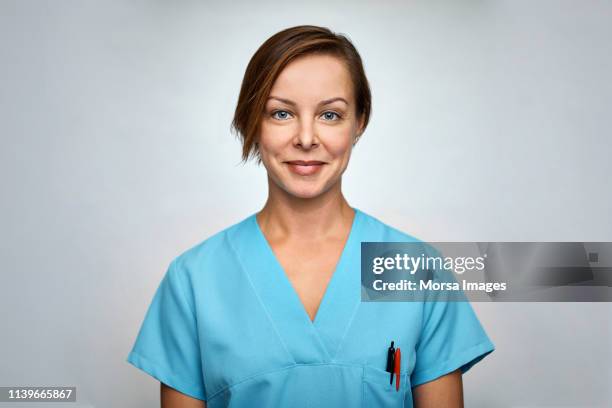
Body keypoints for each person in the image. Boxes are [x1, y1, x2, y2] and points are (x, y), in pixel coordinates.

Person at [127, 25, 495, 408]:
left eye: (330, 115)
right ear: (253, 123)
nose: (305, 138)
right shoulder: (194, 281)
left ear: (359, 123)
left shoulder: (418, 269)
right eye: (281, 113)